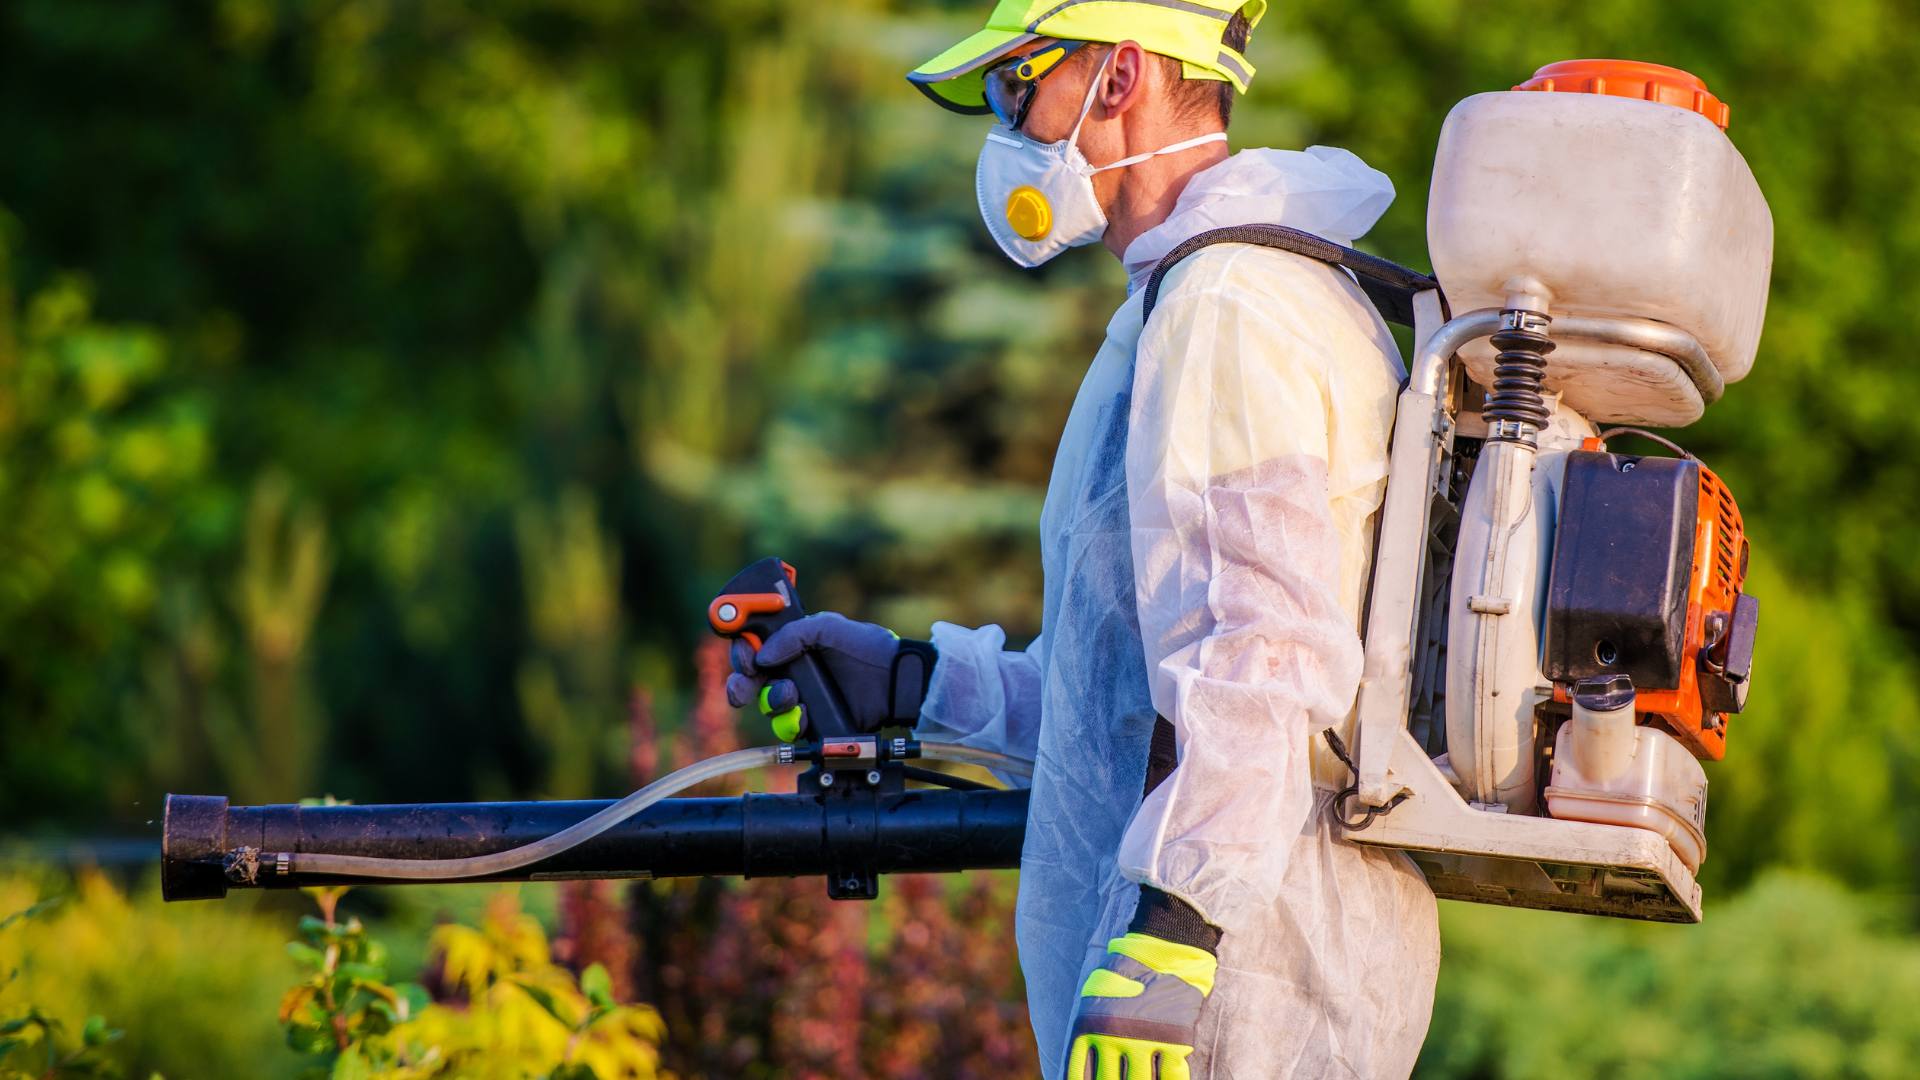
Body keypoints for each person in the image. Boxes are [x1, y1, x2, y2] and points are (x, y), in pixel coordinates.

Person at [728, 1, 1440, 1075]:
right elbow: (1129, 700)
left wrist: (1173, 933)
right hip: (1220, 984)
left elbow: (1265, 653)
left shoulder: (1231, 304)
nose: (1004, 123)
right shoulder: (1201, 293)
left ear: (1117, 79)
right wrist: (918, 686)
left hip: (1240, 997)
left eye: (1021, 86)